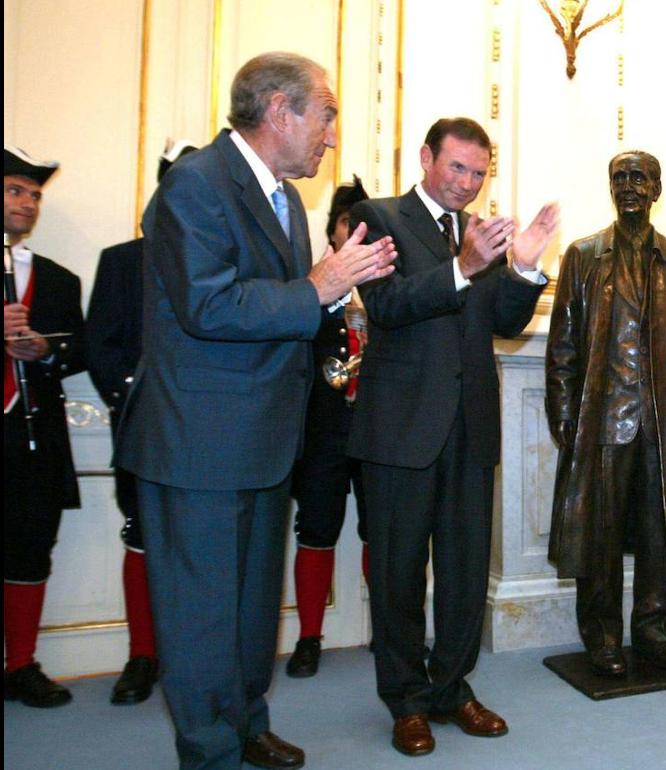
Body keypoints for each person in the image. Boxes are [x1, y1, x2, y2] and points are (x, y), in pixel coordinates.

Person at [113, 52, 397, 770]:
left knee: (246, 612)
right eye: (326, 113)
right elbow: (208, 305)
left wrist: (324, 291)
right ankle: (208, 751)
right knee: (202, 616)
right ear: (280, 110)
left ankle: (245, 723)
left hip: (265, 443)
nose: (332, 135)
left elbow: (282, 313)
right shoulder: (195, 185)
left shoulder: (285, 199)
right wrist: (319, 286)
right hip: (199, 444)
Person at [347, 117, 558, 758]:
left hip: (471, 430)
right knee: (398, 575)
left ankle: (451, 686)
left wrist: (521, 268)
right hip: (400, 433)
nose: (467, 182)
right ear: (426, 159)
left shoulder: (480, 235)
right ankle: (406, 701)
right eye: (457, 167)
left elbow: (503, 323)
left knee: (466, 573)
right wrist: (465, 267)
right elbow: (385, 305)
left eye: (478, 171)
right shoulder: (378, 217)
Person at [547, 150, 666, 681]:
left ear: (657, 189)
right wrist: (564, 413)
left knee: (658, 531)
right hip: (603, 419)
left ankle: (652, 631)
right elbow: (564, 343)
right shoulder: (584, 255)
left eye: (638, 178)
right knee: (598, 535)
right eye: (619, 178)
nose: (628, 187)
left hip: (663, 422)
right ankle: (600, 636)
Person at [85, 140, 197, 706]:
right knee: (145, 539)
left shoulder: (221, 259)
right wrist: (141, 400)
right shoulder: (121, 260)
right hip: (142, 428)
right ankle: (143, 655)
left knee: (206, 547)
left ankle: (196, 657)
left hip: (208, 433)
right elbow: (99, 348)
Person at [3, 146, 85, 709]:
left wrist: (40, 350)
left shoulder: (56, 280)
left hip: (33, 439)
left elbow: (77, 350)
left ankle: (20, 665)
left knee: (31, 549)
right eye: (15, 191)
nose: (28, 203)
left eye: (34, 195)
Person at [285, 175, 372, 678]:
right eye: (348, 219)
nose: (358, 227)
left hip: (379, 432)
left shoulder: (389, 288)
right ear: (334, 231)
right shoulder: (308, 283)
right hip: (322, 432)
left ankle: (387, 630)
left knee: (382, 533)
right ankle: (309, 637)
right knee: (315, 532)